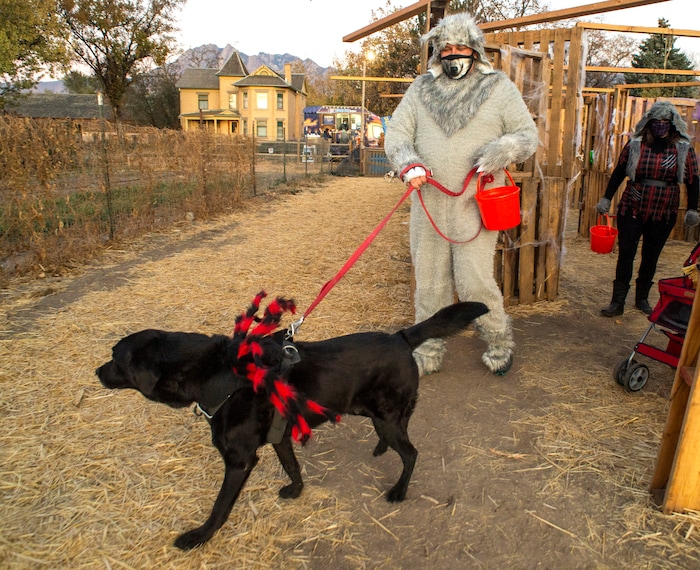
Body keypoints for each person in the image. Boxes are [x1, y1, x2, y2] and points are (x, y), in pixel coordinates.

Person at [384, 12, 539, 376]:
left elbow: (527, 135)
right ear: (438, 50)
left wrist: (503, 150)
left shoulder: (498, 87)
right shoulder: (420, 89)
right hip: (430, 203)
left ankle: (499, 340)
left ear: (475, 49)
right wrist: (409, 162)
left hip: (476, 204)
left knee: (475, 281)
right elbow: (397, 134)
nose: (454, 53)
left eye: (462, 46)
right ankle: (428, 347)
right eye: (447, 47)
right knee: (430, 281)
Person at [596, 101, 699, 317]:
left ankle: (642, 298)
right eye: (656, 122)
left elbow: (693, 180)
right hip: (633, 206)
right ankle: (617, 302)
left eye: (664, 122)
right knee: (626, 254)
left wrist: (692, 208)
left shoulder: (682, 148)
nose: (660, 126)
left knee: (651, 255)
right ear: (649, 123)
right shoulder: (636, 144)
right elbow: (619, 171)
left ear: (672, 124)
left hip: (664, 209)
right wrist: (607, 198)